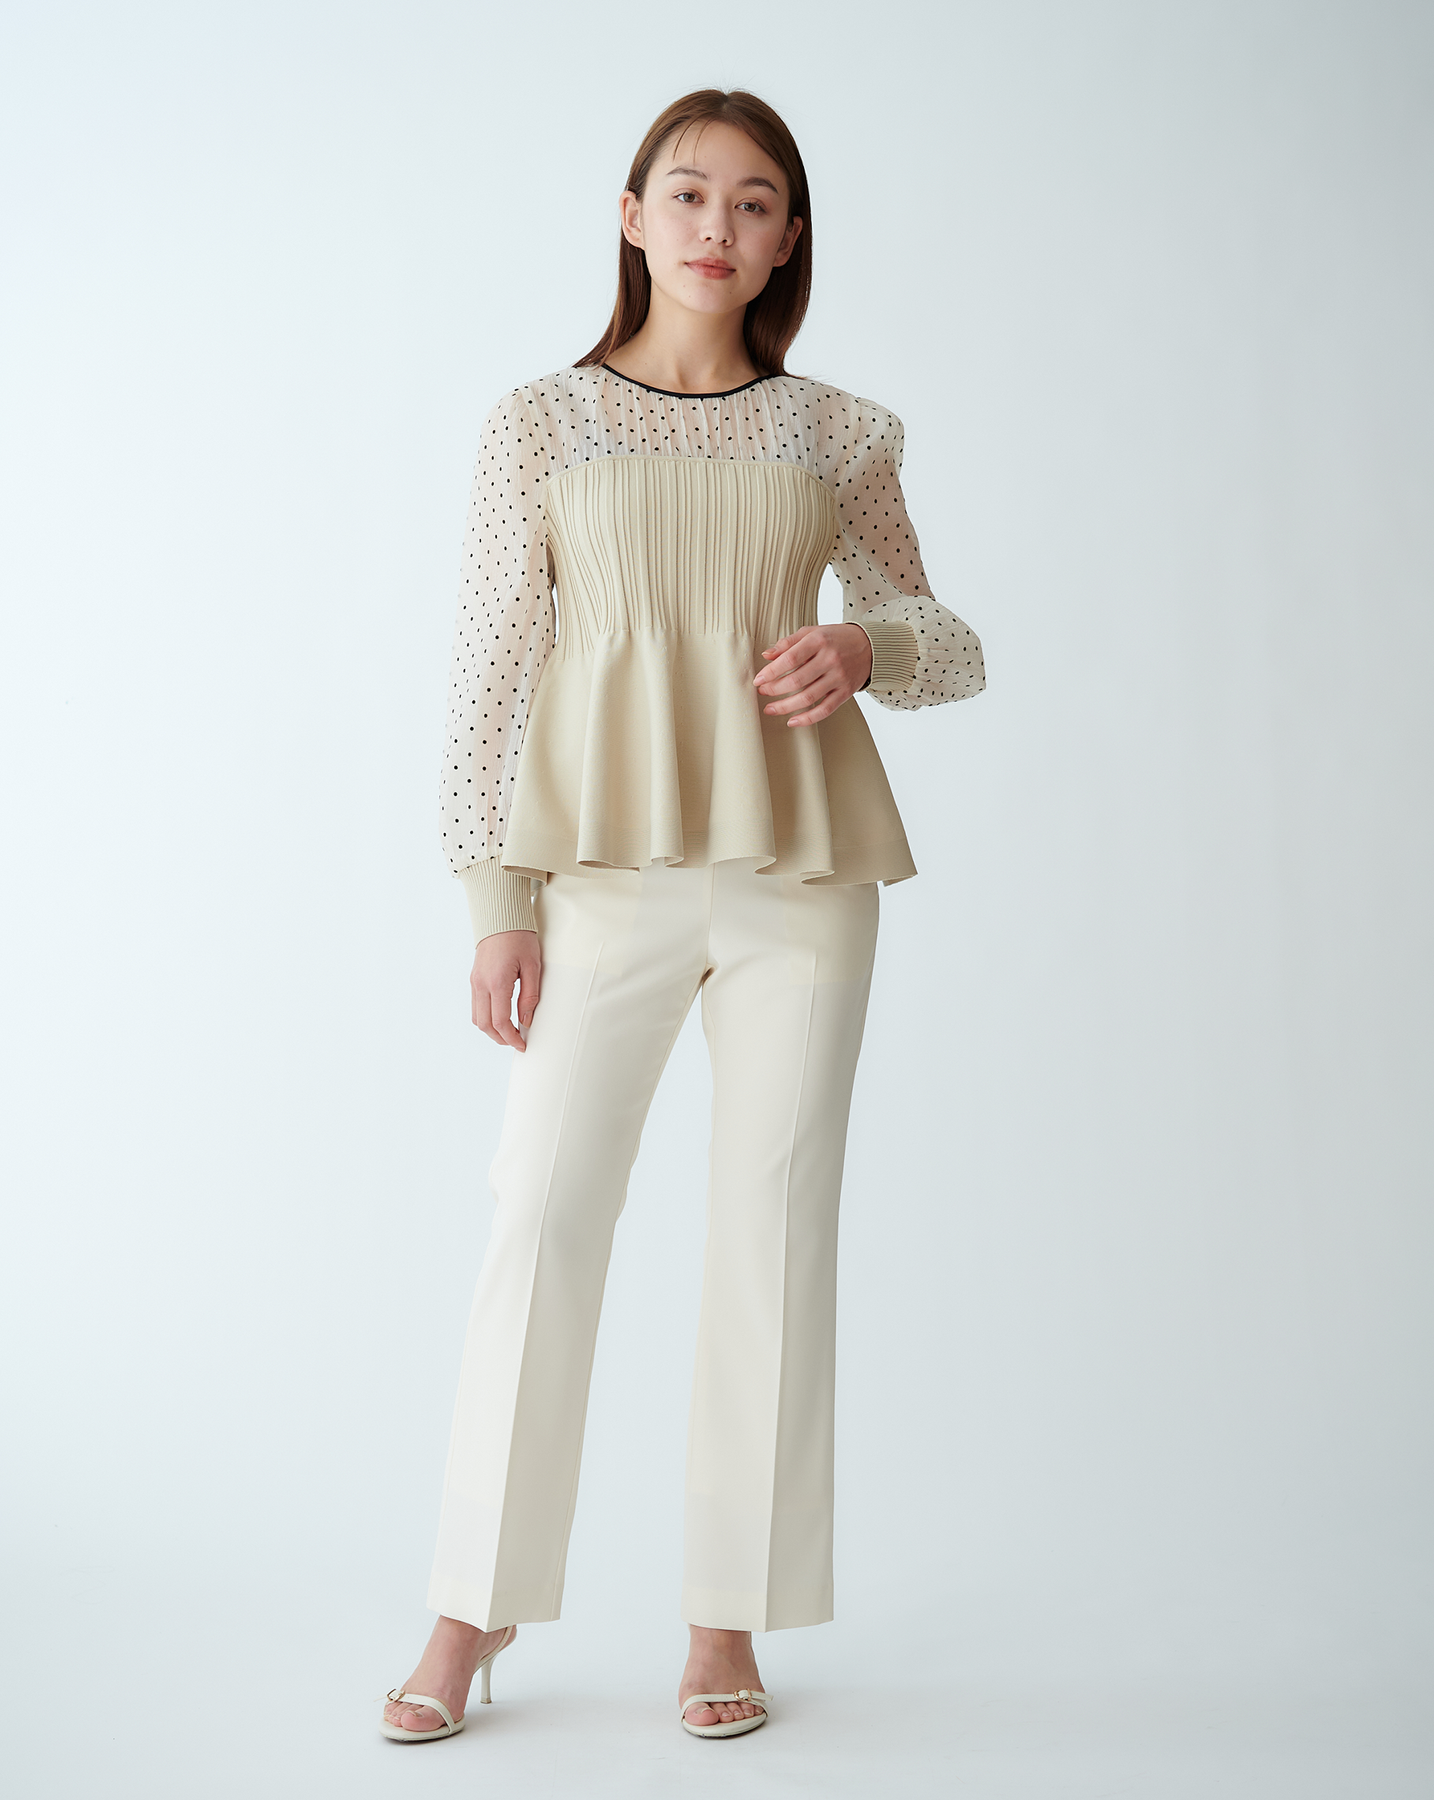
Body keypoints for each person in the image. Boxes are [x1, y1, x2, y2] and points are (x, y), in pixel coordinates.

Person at [380, 86, 985, 1745]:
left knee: (772, 1230)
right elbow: (489, 669)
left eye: (758, 201)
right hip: (599, 878)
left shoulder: (838, 432)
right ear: (634, 215)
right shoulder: (540, 423)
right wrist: (494, 898)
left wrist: (864, 646)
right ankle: (471, 1604)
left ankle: (728, 1615)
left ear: (789, 239)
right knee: (541, 1214)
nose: (720, 225)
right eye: (691, 192)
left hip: (804, 877)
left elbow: (946, 640)